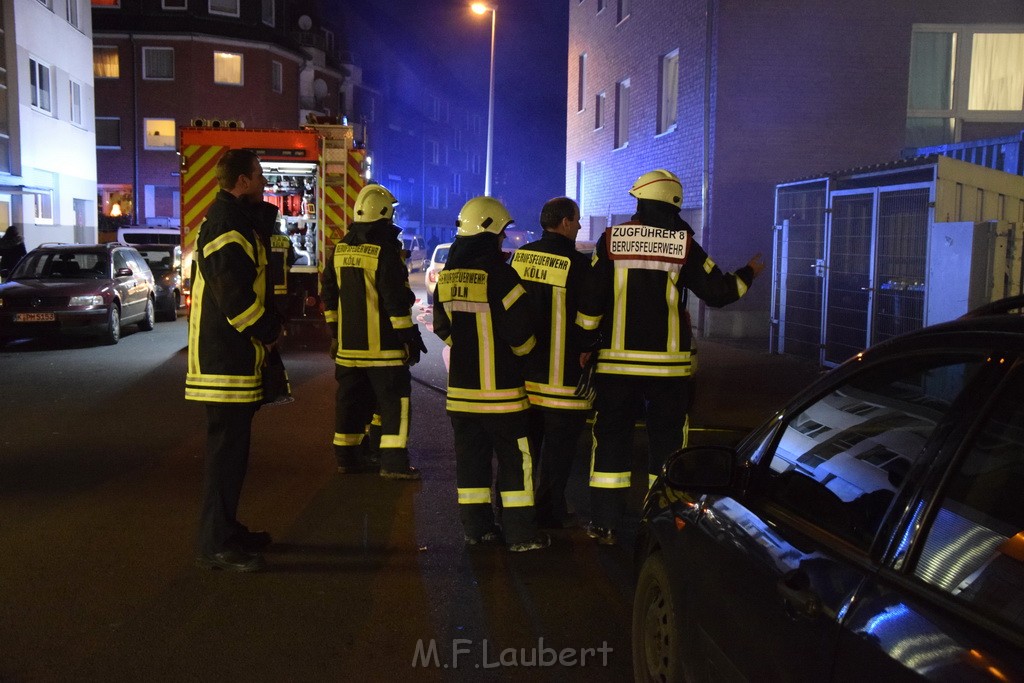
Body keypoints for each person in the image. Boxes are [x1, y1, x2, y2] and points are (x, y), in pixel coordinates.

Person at [576, 169, 765, 545]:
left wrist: (585, 342)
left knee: (611, 440)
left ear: (642, 201)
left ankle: (605, 525)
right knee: (667, 446)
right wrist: (749, 272)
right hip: (669, 369)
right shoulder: (683, 244)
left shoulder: (612, 239)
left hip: (615, 365)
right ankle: (658, 524)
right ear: (674, 203)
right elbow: (719, 292)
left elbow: (591, 299)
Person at [432, 196, 549, 552]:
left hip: (462, 398)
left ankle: (478, 530)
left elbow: (442, 328)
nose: (503, 240)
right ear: (490, 233)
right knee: (515, 464)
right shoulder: (502, 277)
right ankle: (520, 534)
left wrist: (468, 351)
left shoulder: (448, 276)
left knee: (471, 467)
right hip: (503, 398)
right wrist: (520, 357)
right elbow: (522, 335)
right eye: (501, 233)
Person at [185, 149, 282, 572]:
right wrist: (269, 331)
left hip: (233, 361)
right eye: (258, 175)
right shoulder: (226, 226)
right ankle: (216, 543)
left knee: (233, 453)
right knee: (225, 454)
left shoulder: (234, 221)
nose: (263, 181)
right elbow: (234, 297)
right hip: (224, 363)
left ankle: (226, 530)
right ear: (242, 181)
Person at [321, 183, 425, 480]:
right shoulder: (385, 251)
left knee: (351, 404)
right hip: (385, 352)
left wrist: (335, 332)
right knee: (394, 405)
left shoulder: (340, 249)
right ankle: (393, 463)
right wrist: (409, 339)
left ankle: (349, 457)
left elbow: (329, 293)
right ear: (384, 214)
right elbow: (395, 302)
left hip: (349, 349)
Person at [509, 197, 593, 529]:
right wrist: (588, 347)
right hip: (562, 380)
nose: (580, 225)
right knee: (559, 454)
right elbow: (589, 318)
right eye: (577, 220)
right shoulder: (578, 264)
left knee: (525, 448)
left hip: (523, 377)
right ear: (564, 223)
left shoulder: (520, 256)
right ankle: (550, 510)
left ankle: (519, 508)